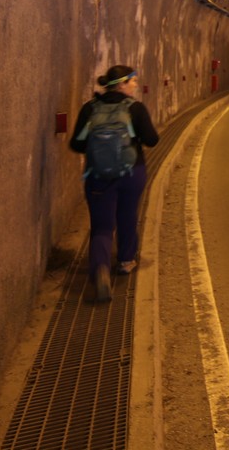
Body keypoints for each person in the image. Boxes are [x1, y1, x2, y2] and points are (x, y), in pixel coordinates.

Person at [69, 65, 159, 302]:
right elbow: (152, 139)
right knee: (128, 215)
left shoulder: (90, 108)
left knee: (101, 225)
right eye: (133, 81)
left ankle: (100, 268)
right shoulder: (135, 109)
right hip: (132, 174)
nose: (135, 85)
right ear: (121, 84)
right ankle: (126, 261)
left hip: (98, 176)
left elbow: (76, 145)